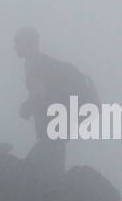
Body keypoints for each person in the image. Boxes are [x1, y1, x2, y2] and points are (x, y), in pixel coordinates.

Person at [14, 26, 97, 181]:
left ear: (29, 43)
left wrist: (26, 108)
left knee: (30, 171)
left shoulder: (36, 63)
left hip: (53, 127)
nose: (15, 47)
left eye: (18, 42)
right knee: (53, 169)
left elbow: (39, 93)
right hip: (58, 125)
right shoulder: (43, 63)